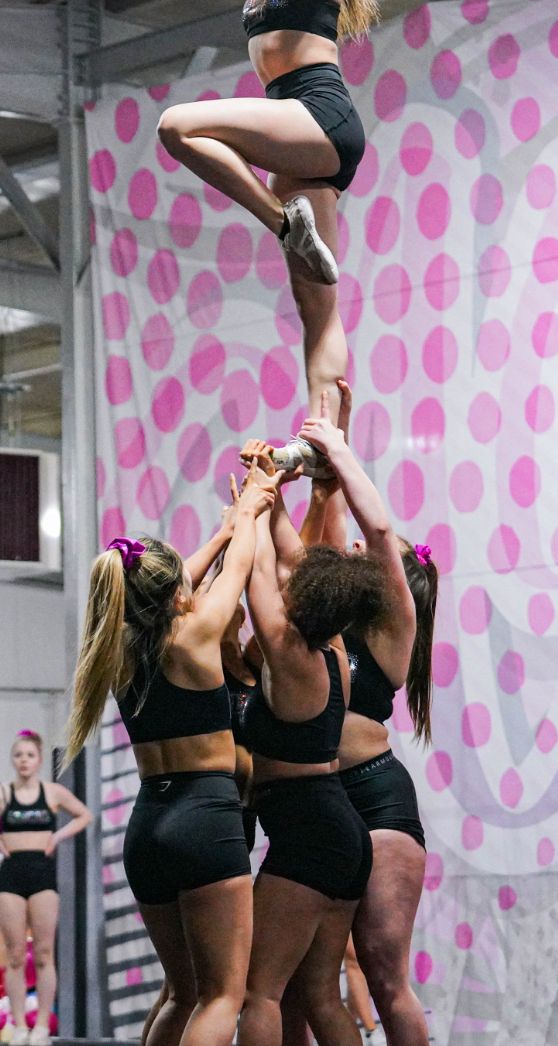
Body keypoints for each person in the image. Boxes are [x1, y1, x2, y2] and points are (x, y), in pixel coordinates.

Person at [158, 0, 378, 418]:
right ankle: (323, 433)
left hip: (318, 114)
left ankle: (283, 224)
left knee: (178, 126)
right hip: (296, 135)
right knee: (318, 306)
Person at [62, 461, 279, 1046]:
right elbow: (238, 568)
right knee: (222, 995)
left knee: (182, 993)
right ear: (175, 592)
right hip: (204, 818)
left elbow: (171, 580)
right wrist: (255, 506)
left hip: (148, 824)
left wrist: (226, 526)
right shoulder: (199, 632)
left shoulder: (115, 651)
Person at [235, 424, 385, 1046]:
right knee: (321, 994)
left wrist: (253, 498)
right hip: (336, 831)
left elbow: (256, 577)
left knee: (258, 991)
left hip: (310, 834)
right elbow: (283, 567)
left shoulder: (293, 657)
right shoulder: (331, 654)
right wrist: (276, 489)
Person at [0, 732, 91, 1046]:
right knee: (16, 955)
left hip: (42, 874)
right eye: (19, 755)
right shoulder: (1, 794)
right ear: (13, 759)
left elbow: (84, 814)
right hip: (11, 875)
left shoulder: (53, 792)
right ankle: (19, 1025)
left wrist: (57, 838)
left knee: (45, 953)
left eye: (30, 755)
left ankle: (43, 1026)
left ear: (39, 760)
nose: (24, 761)